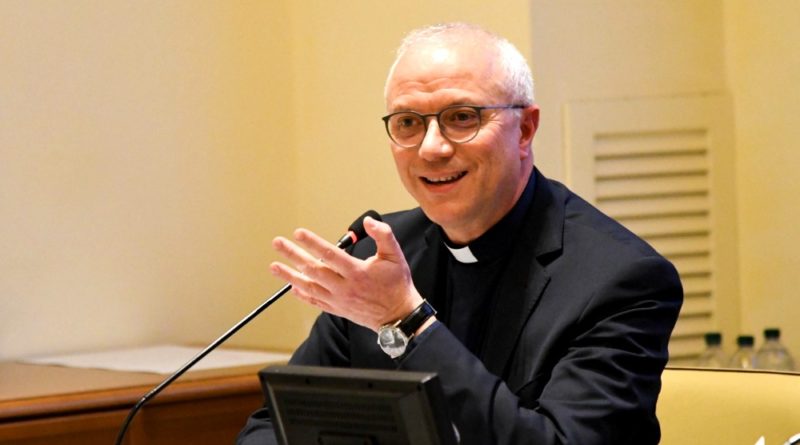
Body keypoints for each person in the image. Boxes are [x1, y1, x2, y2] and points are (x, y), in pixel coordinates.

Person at [237, 22, 682, 445]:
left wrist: (407, 321)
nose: (432, 148)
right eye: (408, 123)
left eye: (462, 117)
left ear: (525, 129)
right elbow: (271, 427)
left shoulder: (622, 281)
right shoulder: (377, 258)